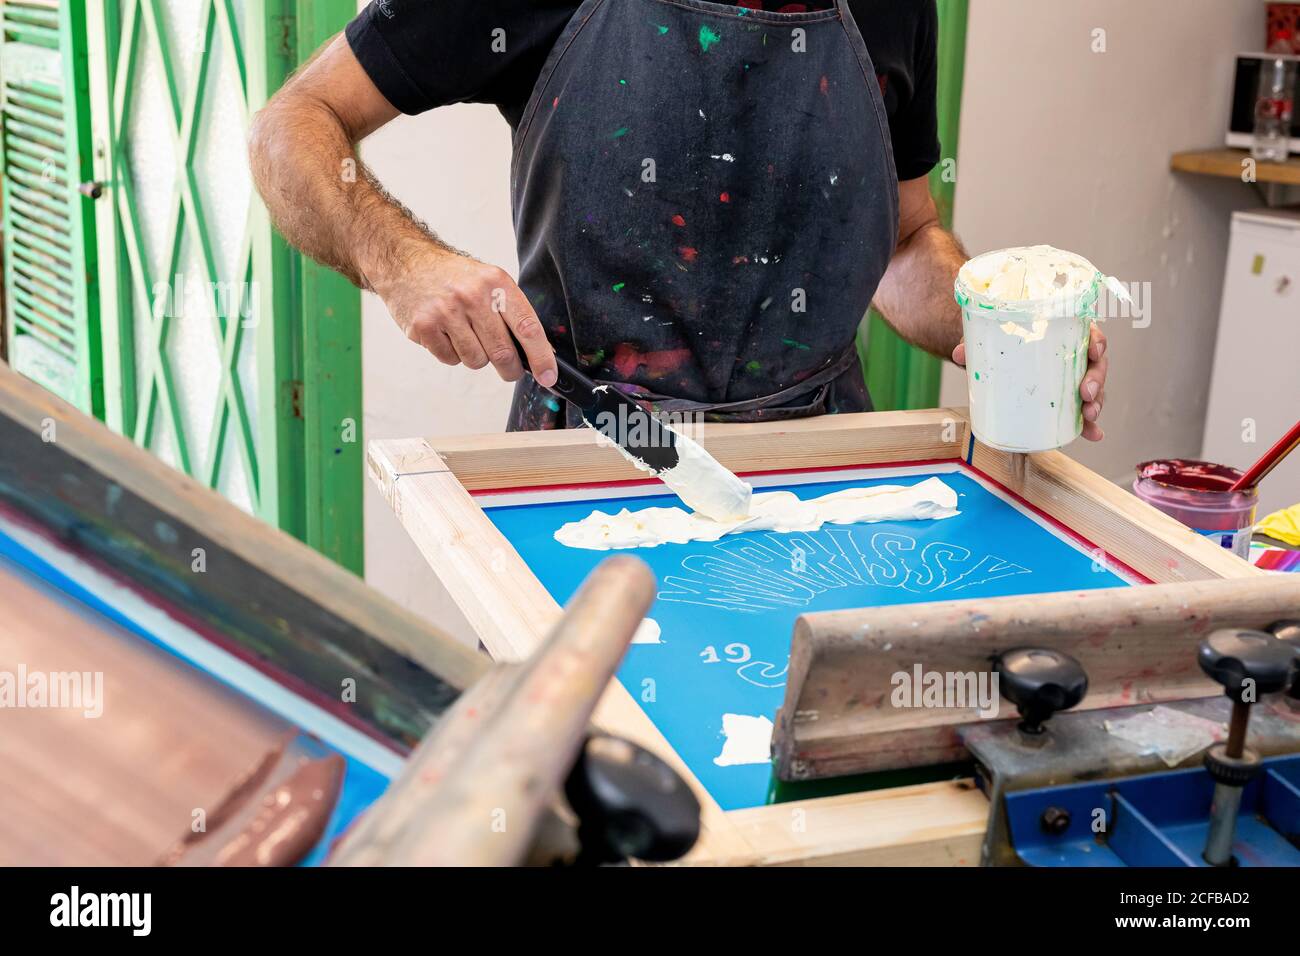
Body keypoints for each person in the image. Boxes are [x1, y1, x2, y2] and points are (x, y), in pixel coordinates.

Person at [249, 0, 1107, 436]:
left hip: (822, 470)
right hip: (598, 463)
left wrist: (996, 316)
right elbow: (292, 124)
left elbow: (905, 242)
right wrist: (403, 264)